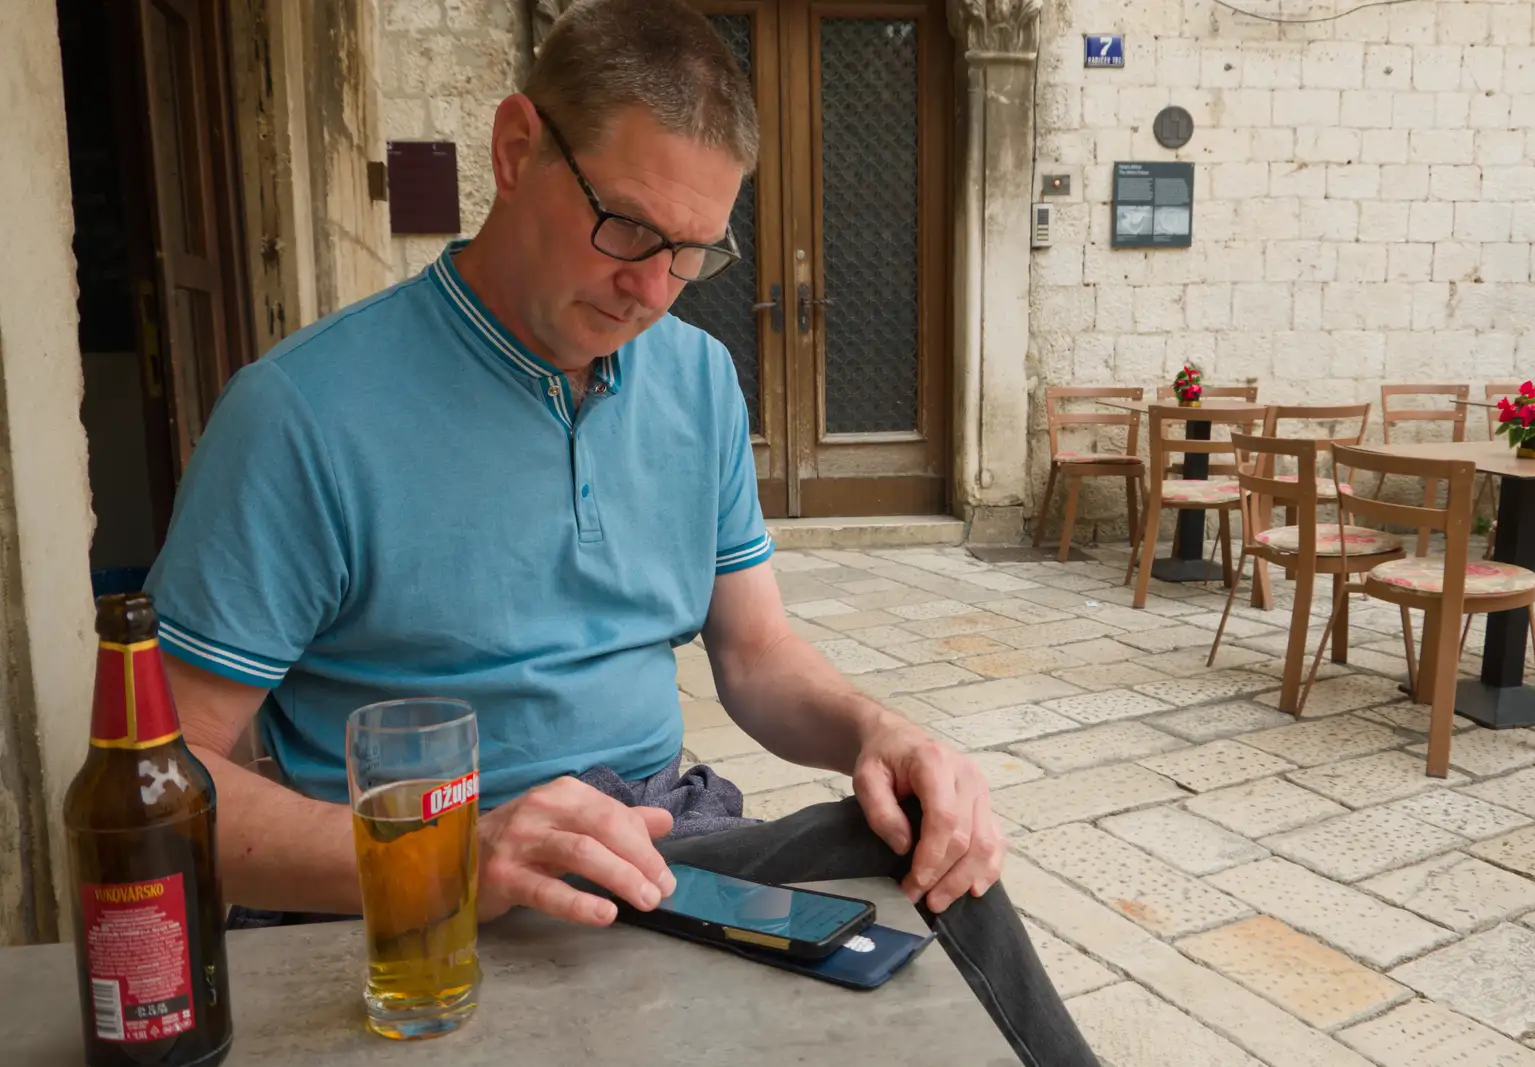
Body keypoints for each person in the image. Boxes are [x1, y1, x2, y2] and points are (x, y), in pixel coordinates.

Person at [142, 0, 1100, 1063]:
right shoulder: (301, 415)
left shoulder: (696, 378)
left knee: (917, 845)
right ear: (516, 151)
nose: (652, 289)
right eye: (631, 230)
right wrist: (459, 851)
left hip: (661, 845)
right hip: (418, 895)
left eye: (692, 252)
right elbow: (161, 783)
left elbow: (755, 654)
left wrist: (882, 732)